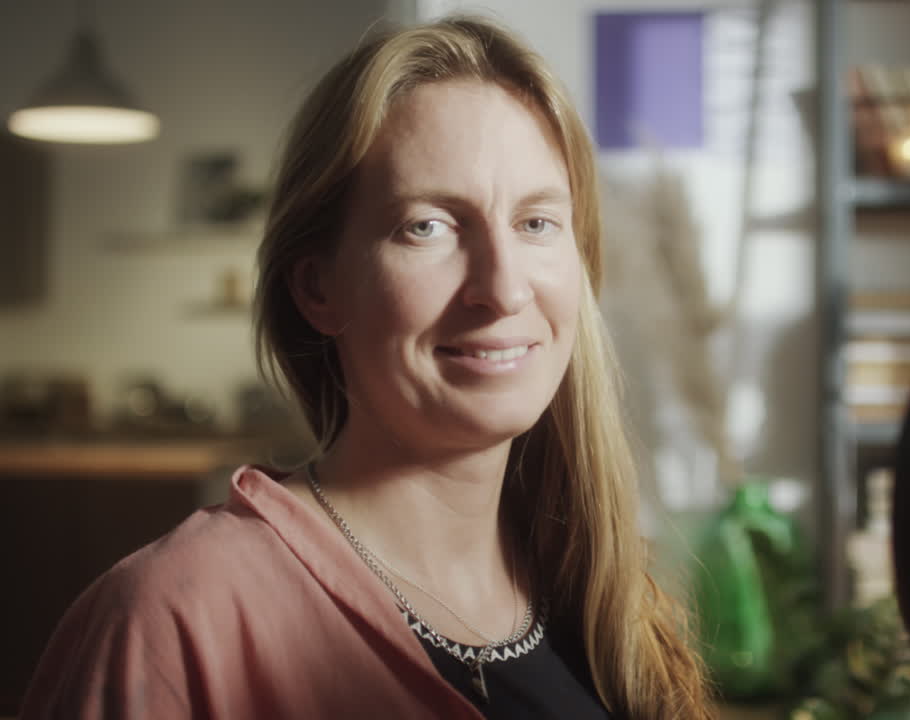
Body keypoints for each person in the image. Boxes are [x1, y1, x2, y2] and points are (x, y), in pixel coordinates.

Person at [20, 16, 712, 720]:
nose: (503, 290)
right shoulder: (169, 621)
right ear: (317, 288)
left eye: (536, 223)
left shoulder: (607, 601)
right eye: (428, 226)